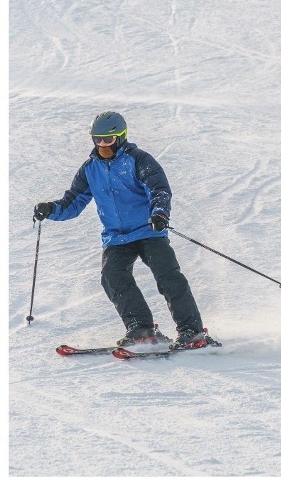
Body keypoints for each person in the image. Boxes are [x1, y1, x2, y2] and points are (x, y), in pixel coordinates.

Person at [33, 111, 215, 349]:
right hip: (116, 237)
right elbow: (73, 203)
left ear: (121, 137)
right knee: (112, 277)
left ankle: (191, 331)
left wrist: (159, 213)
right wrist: (51, 209)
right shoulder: (90, 169)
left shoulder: (138, 160)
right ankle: (141, 328)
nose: (101, 145)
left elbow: (159, 189)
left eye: (107, 140)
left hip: (148, 231)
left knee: (168, 276)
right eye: (97, 139)